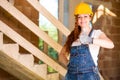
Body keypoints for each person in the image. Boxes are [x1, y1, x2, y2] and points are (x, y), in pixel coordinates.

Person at [59, 2, 114, 80]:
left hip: (89, 76)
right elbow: (61, 55)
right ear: (77, 19)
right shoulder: (72, 36)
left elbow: (111, 44)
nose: (82, 19)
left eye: (85, 16)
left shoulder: (96, 33)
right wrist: (69, 65)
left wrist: (90, 40)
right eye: (79, 17)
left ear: (90, 17)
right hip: (71, 76)